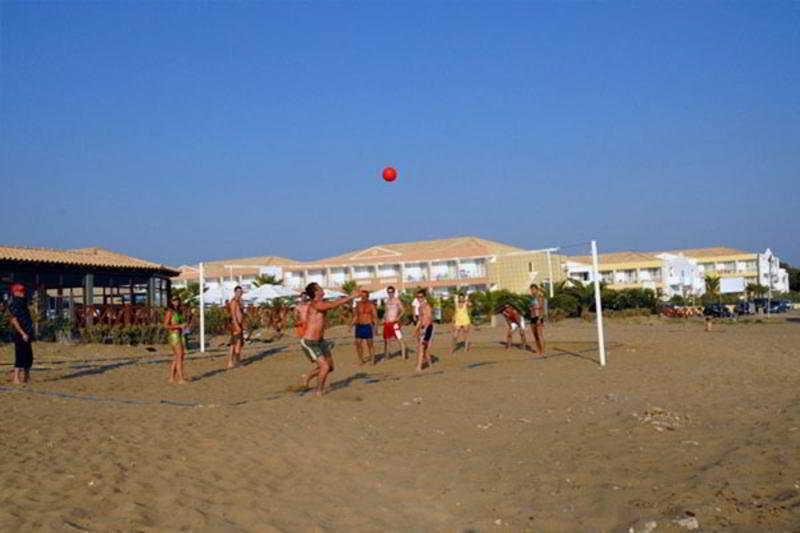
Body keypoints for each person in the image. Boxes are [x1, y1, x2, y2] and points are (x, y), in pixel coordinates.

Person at [300, 282, 358, 396]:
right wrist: (351, 296)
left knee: (330, 367)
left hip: (320, 341)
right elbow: (332, 305)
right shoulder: (315, 304)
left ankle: (307, 377)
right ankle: (319, 391)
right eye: (320, 288)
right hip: (310, 342)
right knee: (325, 367)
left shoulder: (321, 303)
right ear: (316, 292)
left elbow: (331, 305)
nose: (323, 289)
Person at [8, 284, 34, 384]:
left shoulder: (23, 303)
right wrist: (22, 333)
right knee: (20, 355)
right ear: (15, 292)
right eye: (20, 291)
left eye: (23, 290)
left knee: (28, 355)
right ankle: (16, 378)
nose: (23, 292)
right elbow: (14, 321)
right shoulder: (14, 304)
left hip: (27, 331)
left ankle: (26, 377)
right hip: (20, 333)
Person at [164, 296, 189, 383]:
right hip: (174, 335)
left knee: (177, 356)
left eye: (177, 300)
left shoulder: (179, 311)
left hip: (180, 334)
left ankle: (172, 377)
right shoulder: (170, 312)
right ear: (171, 301)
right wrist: (179, 326)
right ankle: (181, 378)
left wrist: (184, 325)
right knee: (180, 356)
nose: (176, 302)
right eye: (174, 300)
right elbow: (166, 325)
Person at [352, 289, 377, 365]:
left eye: (364, 296)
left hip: (368, 325)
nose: (363, 298)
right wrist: (351, 325)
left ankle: (372, 360)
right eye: (361, 296)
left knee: (370, 344)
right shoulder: (358, 304)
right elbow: (356, 316)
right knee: (358, 344)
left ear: (367, 296)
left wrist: (376, 328)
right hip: (359, 325)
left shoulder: (371, 305)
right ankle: (361, 360)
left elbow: (375, 316)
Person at [382, 286, 407, 360]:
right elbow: (386, 312)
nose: (390, 293)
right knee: (387, 340)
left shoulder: (397, 300)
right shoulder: (387, 301)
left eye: (391, 292)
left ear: (394, 292)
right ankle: (387, 356)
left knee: (400, 339)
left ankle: (403, 356)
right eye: (389, 292)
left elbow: (403, 310)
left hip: (394, 323)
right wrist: (383, 318)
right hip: (387, 323)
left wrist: (398, 318)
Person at [414, 289, 434, 372]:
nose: (419, 299)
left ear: (424, 297)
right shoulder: (419, 307)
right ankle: (430, 363)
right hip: (423, 328)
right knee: (424, 348)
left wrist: (424, 329)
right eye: (418, 297)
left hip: (428, 328)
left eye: (421, 297)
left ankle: (419, 366)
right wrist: (416, 329)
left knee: (421, 347)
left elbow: (429, 319)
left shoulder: (427, 306)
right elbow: (420, 320)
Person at [228, 286, 244, 368]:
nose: (239, 293)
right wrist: (236, 325)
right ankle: (234, 361)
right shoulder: (234, 302)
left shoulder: (240, 301)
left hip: (239, 324)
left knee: (237, 343)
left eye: (241, 292)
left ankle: (234, 361)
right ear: (235, 292)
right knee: (235, 343)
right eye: (238, 291)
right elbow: (233, 314)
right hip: (235, 324)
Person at [528, 284, 546, 355]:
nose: (532, 291)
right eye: (531, 290)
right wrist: (530, 308)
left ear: (537, 290)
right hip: (532, 317)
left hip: (538, 317)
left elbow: (542, 308)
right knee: (535, 335)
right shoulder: (531, 298)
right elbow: (530, 307)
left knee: (539, 334)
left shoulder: (540, 297)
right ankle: (539, 350)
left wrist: (540, 318)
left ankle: (543, 351)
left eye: (533, 289)